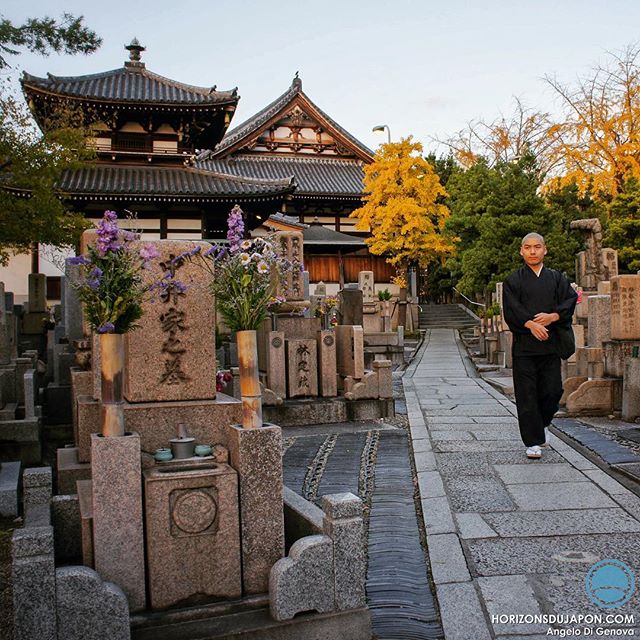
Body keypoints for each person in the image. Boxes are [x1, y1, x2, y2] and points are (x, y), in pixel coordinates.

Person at [502, 233, 578, 459]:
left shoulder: (556, 279)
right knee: (526, 395)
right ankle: (533, 441)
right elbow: (511, 309)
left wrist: (554, 316)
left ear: (545, 250)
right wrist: (530, 324)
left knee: (552, 391)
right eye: (528, 247)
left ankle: (543, 423)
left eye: (537, 247)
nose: (532, 251)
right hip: (525, 348)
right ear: (521, 251)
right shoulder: (513, 280)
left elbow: (570, 300)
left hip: (550, 346)